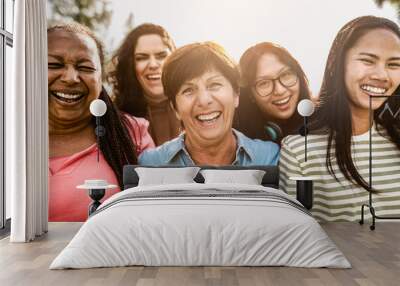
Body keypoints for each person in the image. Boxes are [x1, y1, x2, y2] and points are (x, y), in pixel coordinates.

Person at [279, 16, 400, 221]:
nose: (381, 75)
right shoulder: (300, 150)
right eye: (367, 60)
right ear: (336, 62)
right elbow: (300, 236)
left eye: (394, 64)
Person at [48, 22, 155, 222]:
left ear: (100, 78)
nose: (71, 78)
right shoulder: (9, 134)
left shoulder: (132, 132)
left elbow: (155, 213)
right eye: (54, 65)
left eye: (86, 67)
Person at [139, 42, 280, 166]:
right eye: (188, 90)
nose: (204, 100)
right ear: (175, 108)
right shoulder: (150, 164)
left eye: (214, 85)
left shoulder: (270, 158)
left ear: (236, 94)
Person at [109, 23, 180, 146]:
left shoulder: (195, 109)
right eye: (142, 58)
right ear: (130, 65)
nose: (153, 64)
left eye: (161, 56)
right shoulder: (115, 120)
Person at [235, 42, 313, 144]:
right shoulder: (241, 144)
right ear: (250, 94)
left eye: (286, 74)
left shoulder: (323, 126)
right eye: (264, 83)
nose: (280, 90)